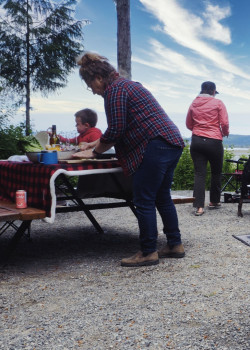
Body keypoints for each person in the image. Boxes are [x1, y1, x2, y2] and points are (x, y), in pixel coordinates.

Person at [73, 52, 185, 267]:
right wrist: (93, 144)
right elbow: (118, 127)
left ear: (97, 79)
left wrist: (94, 153)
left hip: (153, 144)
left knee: (143, 199)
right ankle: (174, 244)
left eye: (90, 86)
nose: (93, 91)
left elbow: (116, 129)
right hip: (171, 142)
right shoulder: (127, 86)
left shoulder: (114, 90)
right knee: (162, 196)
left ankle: (148, 251)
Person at [186, 81, 229, 216]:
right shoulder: (218, 103)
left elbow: (188, 124)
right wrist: (225, 132)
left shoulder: (194, 103)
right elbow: (224, 122)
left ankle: (199, 207)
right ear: (213, 91)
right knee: (216, 172)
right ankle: (214, 201)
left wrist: (199, 129)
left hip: (197, 141)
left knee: (199, 174)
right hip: (214, 141)